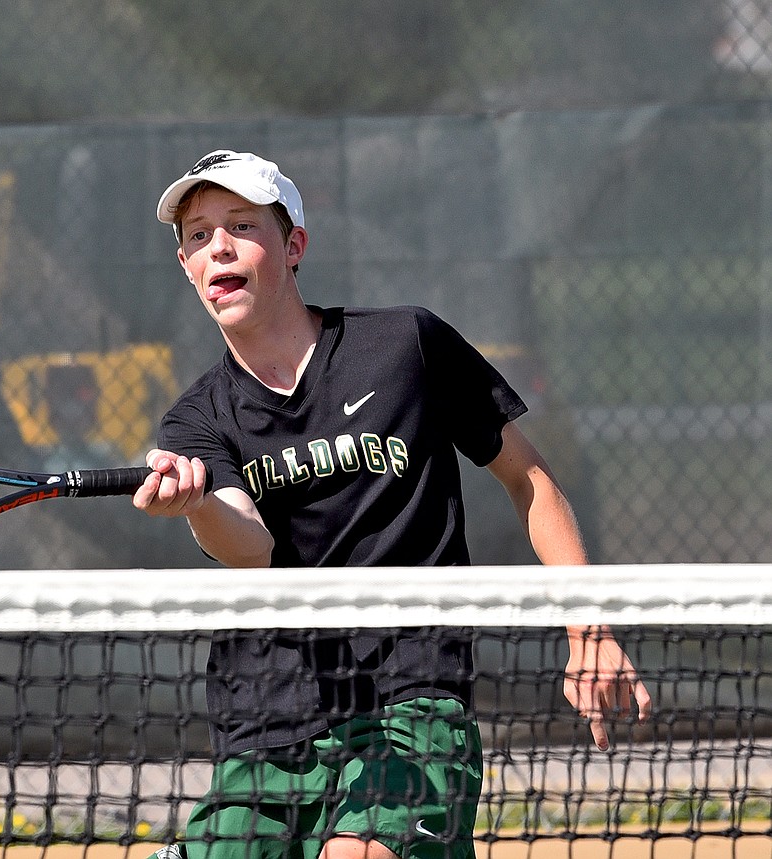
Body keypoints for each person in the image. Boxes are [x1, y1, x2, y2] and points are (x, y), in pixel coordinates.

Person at [132, 150, 652, 859]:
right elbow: (250, 544)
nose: (216, 245)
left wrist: (588, 629)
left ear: (293, 246)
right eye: (196, 235)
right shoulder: (197, 420)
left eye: (240, 225)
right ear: (188, 268)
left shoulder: (405, 345)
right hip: (268, 720)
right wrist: (195, 505)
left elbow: (530, 480)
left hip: (411, 699)